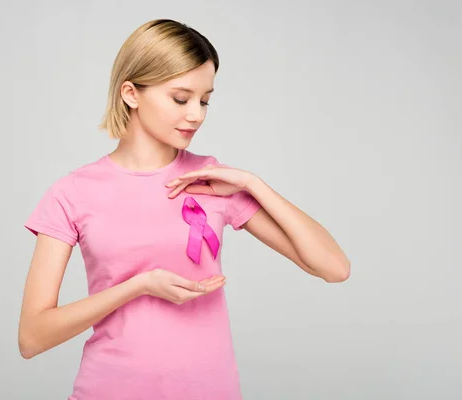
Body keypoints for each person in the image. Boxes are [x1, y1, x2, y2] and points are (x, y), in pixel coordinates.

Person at [18, 18, 351, 400]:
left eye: (205, 100)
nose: (196, 114)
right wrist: (138, 286)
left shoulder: (212, 180)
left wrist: (252, 184)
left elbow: (334, 268)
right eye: (181, 98)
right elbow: (32, 337)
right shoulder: (73, 192)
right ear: (130, 93)